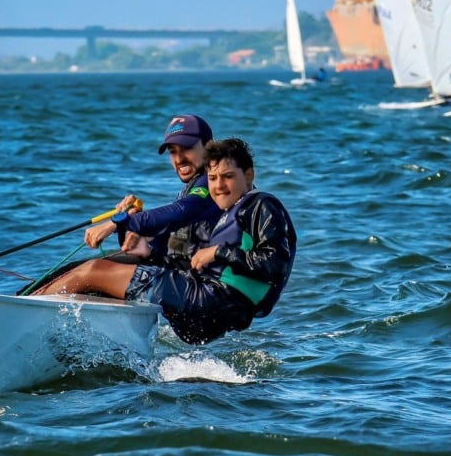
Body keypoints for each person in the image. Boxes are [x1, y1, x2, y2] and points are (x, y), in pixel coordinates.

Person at [33, 138, 297, 345]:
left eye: (228, 177)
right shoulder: (224, 216)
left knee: (92, 272)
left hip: (213, 302)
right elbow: (180, 262)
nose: (218, 186)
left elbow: (274, 264)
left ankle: (23, 313)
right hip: (204, 313)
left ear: (248, 176)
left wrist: (217, 252)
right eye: (213, 178)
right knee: (101, 280)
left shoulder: (261, 205)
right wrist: (145, 250)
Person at [17, 114, 221, 295]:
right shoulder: (193, 187)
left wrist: (119, 222)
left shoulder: (214, 184)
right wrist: (135, 230)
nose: (179, 159)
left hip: (197, 290)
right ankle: (20, 300)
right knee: (75, 268)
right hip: (177, 276)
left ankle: (18, 308)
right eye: (172, 152)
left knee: (88, 271)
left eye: (186, 148)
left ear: (209, 147)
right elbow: (156, 252)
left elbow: (181, 210)